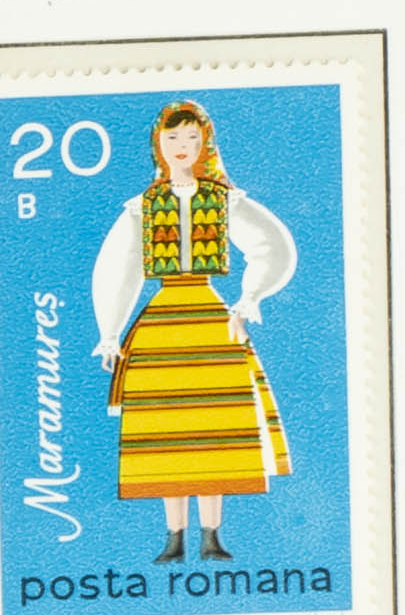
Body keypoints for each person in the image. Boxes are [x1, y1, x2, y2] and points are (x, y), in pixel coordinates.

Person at [85, 99, 301, 571]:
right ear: (158, 145)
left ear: (205, 144)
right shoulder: (143, 207)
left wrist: (249, 297)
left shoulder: (222, 200)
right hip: (162, 325)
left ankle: (212, 537)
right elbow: (119, 268)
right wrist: (110, 332)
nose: (181, 146)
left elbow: (272, 246)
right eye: (172, 138)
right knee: (169, 435)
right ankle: (174, 537)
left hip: (210, 322)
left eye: (190, 137)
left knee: (213, 432)